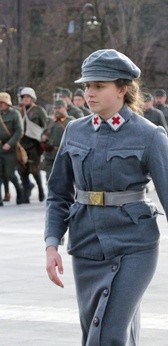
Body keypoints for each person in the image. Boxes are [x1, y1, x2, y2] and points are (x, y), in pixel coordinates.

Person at [45, 49, 168, 345]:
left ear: (122, 89)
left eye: (99, 86)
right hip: (86, 243)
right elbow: (58, 193)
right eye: (87, 86)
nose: (89, 92)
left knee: (109, 334)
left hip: (134, 245)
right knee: (95, 331)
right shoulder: (74, 131)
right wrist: (52, 243)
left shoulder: (149, 135)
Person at [0, 91, 25, 206]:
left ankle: (20, 192)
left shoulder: (15, 114)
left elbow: (19, 131)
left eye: (2, 103)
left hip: (10, 149)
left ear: (7, 103)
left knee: (10, 174)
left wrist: (10, 143)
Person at [18, 87, 47, 202]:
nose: (25, 99)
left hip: (34, 144)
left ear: (32, 98)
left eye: (27, 97)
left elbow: (45, 125)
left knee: (34, 170)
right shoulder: (19, 110)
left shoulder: (38, 110)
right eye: (23, 97)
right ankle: (26, 194)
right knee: (22, 171)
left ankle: (41, 191)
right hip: (21, 145)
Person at [40, 99, 73, 180]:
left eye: (59, 108)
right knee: (50, 180)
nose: (57, 110)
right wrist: (43, 138)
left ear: (65, 108)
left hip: (64, 156)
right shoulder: (50, 121)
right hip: (50, 156)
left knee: (63, 181)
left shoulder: (71, 122)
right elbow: (42, 134)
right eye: (55, 108)